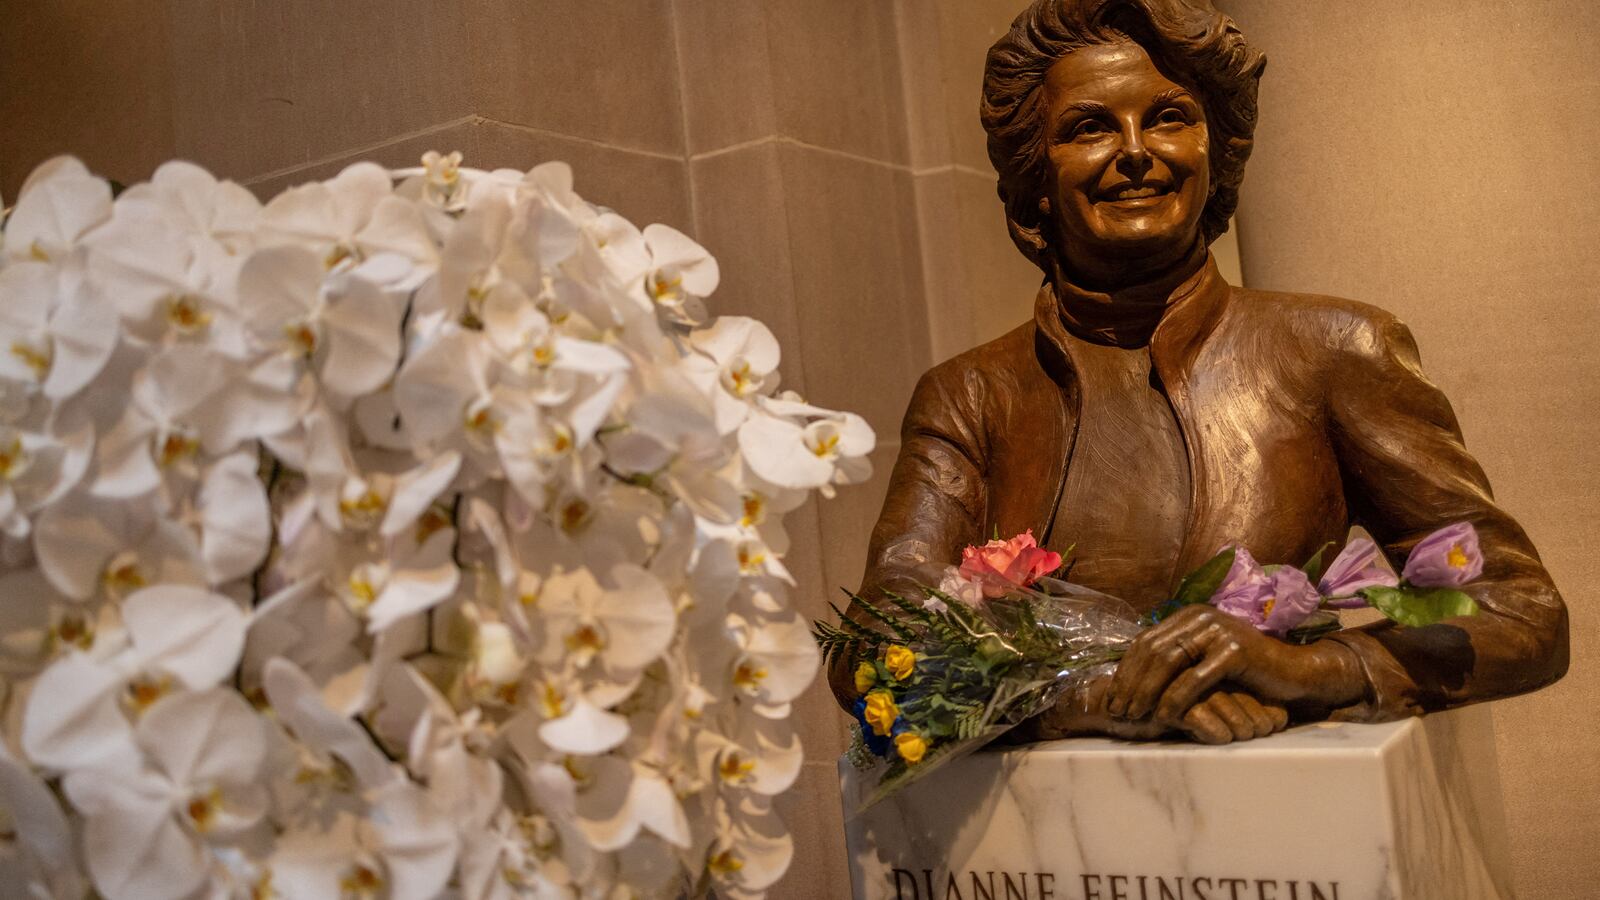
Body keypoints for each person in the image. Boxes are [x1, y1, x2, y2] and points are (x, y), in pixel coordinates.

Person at [829, 0, 1568, 744]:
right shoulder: (969, 396)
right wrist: (1089, 694)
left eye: (1168, 117)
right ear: (1035, 179)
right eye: (1089, 127)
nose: (1135, 150)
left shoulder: (1338, 348)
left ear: (1215, 155)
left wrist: (1315, 671)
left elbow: (1523, 611)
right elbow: (871, 647)